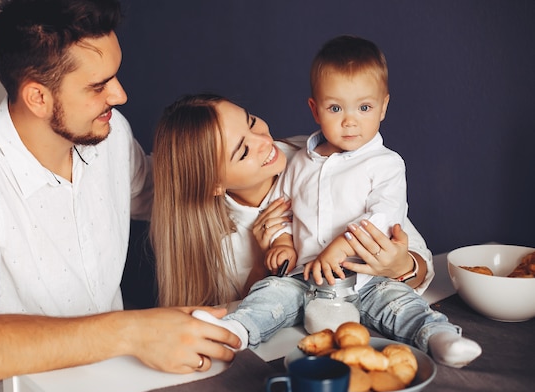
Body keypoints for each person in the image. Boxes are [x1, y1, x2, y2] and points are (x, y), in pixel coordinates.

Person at [0, 1, 240, 392]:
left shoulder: (107, 135)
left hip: (110, 374)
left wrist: (286, 164)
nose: (120, 95)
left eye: (115, 76)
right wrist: (134, 331)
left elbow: (166, 194)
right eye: (97, 85)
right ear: (37, 97)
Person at [152, 36, 481, 369]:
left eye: (251, 121)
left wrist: (399, 266)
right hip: (301, 286)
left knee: (402, 307)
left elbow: (401, 238)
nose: (264, 141)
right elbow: (268, 261)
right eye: (243, 150)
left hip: (365, 282)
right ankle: (234, 332)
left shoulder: (334, 158)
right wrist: (276, 252)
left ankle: (442, 338)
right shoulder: (224, 230)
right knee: (270, 297)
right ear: (214, 184)